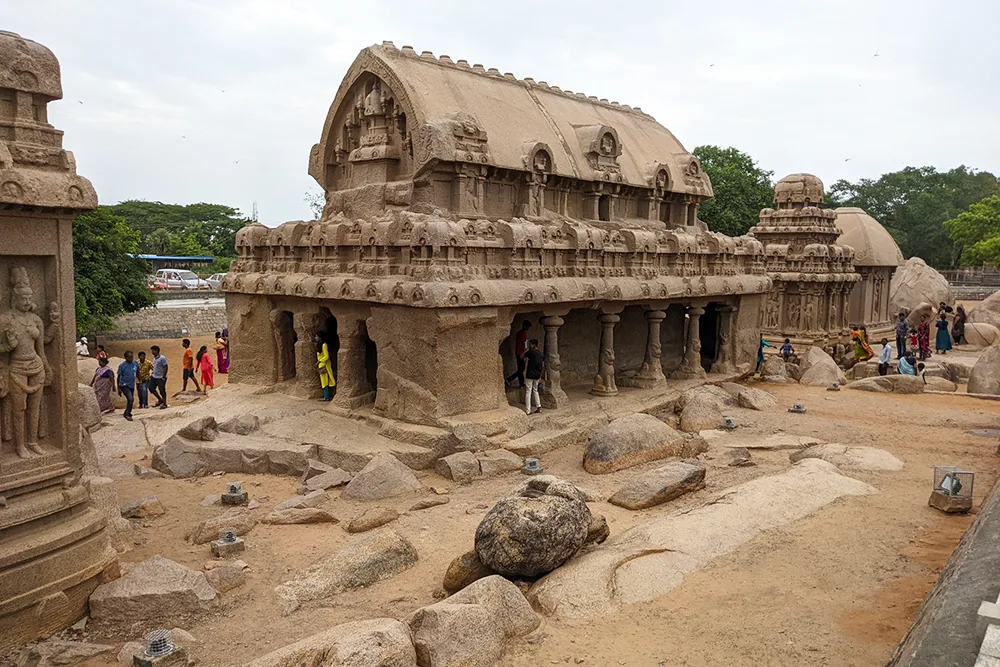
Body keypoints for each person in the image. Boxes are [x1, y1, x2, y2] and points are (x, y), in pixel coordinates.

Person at [505, 321, 531, 389]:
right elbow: (524, 344)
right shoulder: (524, 334)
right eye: (528, 327)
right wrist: (525, 353)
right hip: (521, 353)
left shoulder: (519, 333)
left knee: (520, 369)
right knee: (521, 369)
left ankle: (521, 384)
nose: (528, 328)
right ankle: (509, 379)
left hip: (517, 352)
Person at [522, 338, 545, 415]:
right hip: (537, 375)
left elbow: (521, 356)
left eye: (530, 344)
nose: (530, 345)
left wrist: (526, 350)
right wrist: (540, 376)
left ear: (533, 345)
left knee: (528, 391)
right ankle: (539, 407)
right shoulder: (541, 354)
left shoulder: (530, 352)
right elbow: (542, 365)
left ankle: (528, 410)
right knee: (535, 391)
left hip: (530, 374)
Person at [117, 351, 139, 421]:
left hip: (131, 385)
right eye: (129, 358)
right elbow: (119, 377)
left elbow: (137, 372)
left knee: (131, 399)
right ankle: (127, 413)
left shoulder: (135, 363)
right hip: (124, 385)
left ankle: (127, 412)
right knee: (130, 398)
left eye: (132, 357)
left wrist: (140, 380)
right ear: (126, 358)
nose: (131, 359)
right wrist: (118, 388)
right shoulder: (122, 366)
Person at [315, 332, 335, 401]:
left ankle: (326, 397)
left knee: (325, 381)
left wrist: (319, 361)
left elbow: (326, 356)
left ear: (320, 338)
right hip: (321, 366)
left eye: (316, 336)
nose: (315, 338)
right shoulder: (319, 345)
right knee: (323, 381)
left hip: (324, 366)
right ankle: (326, 396)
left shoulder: (324, 345)